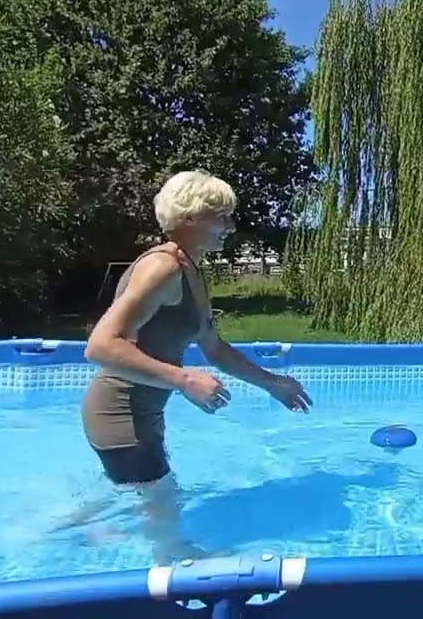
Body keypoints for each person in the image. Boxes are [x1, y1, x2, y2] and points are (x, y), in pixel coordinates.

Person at [79, 169, 312, 560]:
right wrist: (184, 379)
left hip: (142, 413)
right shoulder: (163, 267)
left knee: (139, 492)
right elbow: (100, 346)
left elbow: (215, 349)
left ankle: (55, 530)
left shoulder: (191, 270)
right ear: (189, 218)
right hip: (119, 414)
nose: (231, 226)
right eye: (221, 217)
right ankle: (175, 568)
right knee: (163, 502)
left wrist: (272, 383)